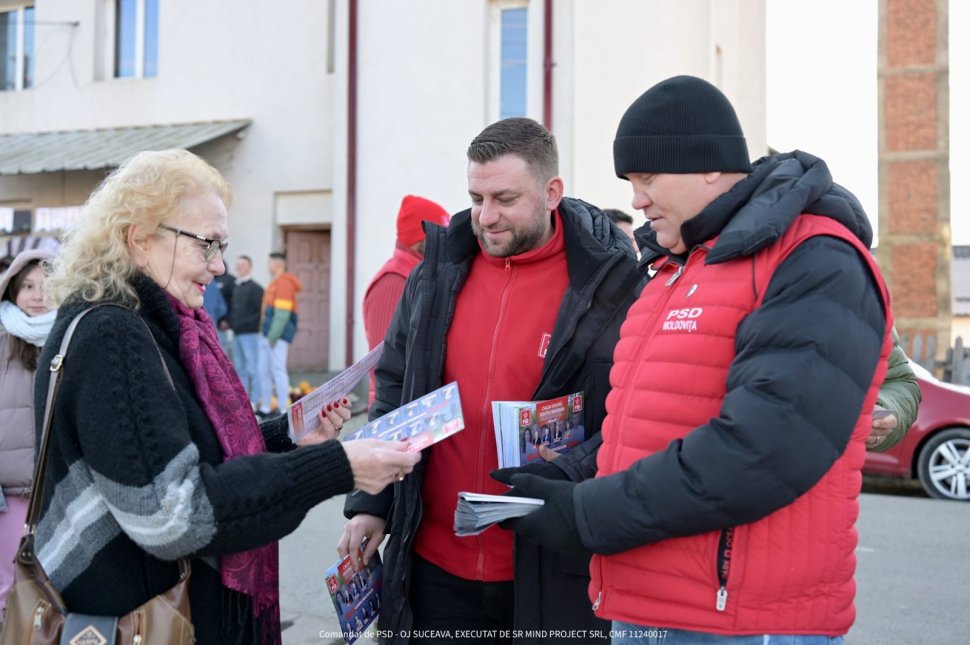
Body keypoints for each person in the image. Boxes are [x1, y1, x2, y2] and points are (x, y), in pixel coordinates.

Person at [499, 76, 895, 643]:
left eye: (647, 178)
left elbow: (765, 450)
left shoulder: (814, 258)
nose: (635, 199)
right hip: (643, 605)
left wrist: (585, 513)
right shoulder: (673, 269)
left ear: (709, 166)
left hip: (743, 621)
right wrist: (567, 476)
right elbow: (657, 424)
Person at [35, 149, 420, 645]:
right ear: (139, 239)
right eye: (205, 245)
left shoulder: (154, 324)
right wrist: (338, 466)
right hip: (142, 621)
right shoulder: (115, 335)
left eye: (222, 246)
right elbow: (176, 514)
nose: (218, 266)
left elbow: (186, 449)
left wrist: (286, 438)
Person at [339, 117, 640, 644]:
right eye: (476, 198)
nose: (485, 217)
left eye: (504, 198)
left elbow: (632, 414)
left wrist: (573, 465)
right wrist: (371, 504)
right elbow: (394, 389)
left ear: (551, 193)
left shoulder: (611, 285)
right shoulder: (435, 274)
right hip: (433, 568)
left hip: (548, 568)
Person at [0, 248, 56, 615]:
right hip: (9, 492)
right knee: (7, 584)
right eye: (28, 286)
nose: (38, 296)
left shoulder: (72, 335)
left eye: (47, 286)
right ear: (12, 291)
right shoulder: (2, 338)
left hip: (56, 489)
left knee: (51, 584)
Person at [363, 194, 451, 407]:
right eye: (441, 232)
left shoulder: (424, 276)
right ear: (423, 239)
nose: (447, 241)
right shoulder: (392, 281)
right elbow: (384, 361)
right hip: (398, 414)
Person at [257, 251, 302, 418]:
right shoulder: (275, 283)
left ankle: (284, 410)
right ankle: (267, 408)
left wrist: (273, 337)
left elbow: (282, 314)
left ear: (278, 264)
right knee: (264, 370)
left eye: (269, 262)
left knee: (277, 370)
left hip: (276, 337)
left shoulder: (284, 283)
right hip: (268, 334)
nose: (268, 265)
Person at [229, 255, 264, 407]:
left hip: (250, 334)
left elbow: (259, 313)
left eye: (243, 265)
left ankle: (256, 399)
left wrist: (243, 324)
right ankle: (244, 401)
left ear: (250, 267)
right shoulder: (236, 287)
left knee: (253, 367)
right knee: (240, 368)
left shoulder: (257, 289)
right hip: (237, 334)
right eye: (238, 265)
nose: (239, 268)